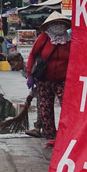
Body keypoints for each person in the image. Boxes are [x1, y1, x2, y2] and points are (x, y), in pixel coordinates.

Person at [26, 15, 72, 145]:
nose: (59, 26)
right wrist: (30, 75)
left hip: (63, 80)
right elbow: (32, 55)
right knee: (45, 108)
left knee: (67, 106)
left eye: (61, 23)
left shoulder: (68, 40)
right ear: (50, 25)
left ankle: (66, 134)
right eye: (56, 23)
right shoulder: (43, 38)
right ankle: (51, 137)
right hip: (45, 79)